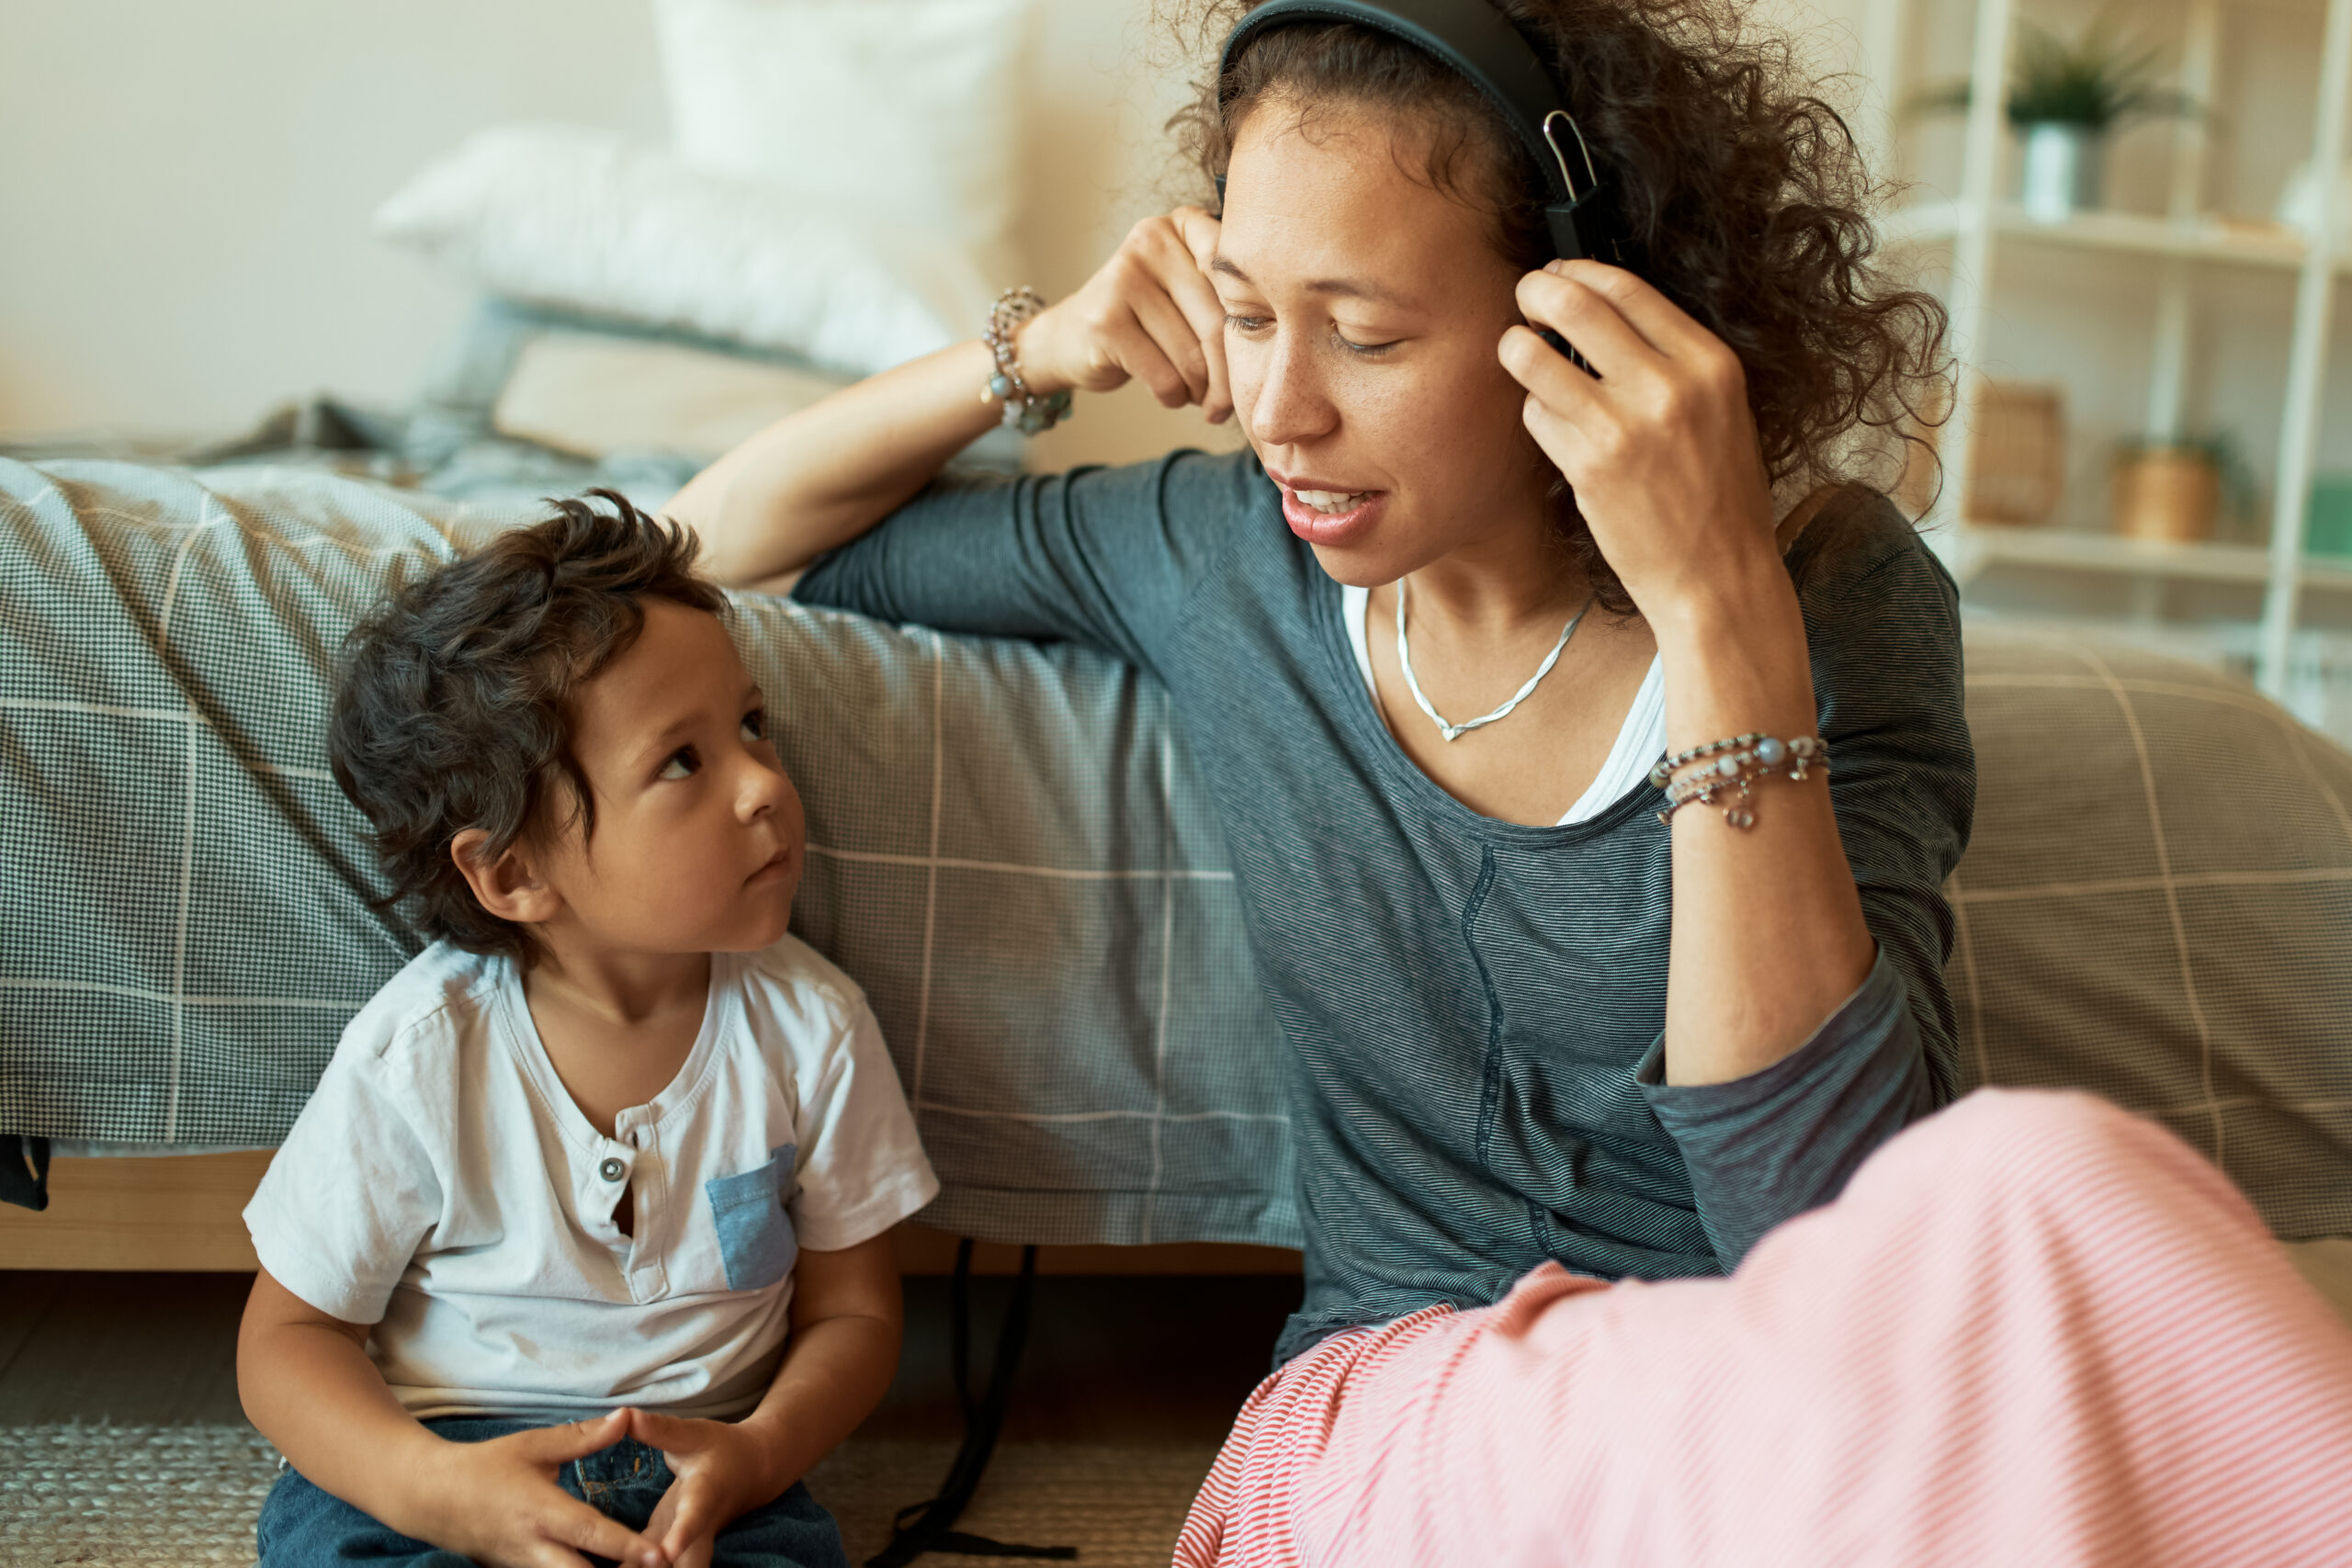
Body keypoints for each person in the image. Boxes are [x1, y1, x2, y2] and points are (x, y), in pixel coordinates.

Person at [665, 0, 2352, 1560]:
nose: (1278, 411)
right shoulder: (1223, 555)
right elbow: (717, 540)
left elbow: (1828, 1231)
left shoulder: (1824, 595)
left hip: (1779, 1400)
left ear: (1582, 315)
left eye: (1367, 335)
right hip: (1401, 1410)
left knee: (2054, 1174)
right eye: (1251, 315)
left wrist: (1719, 611)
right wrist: (1035, 349)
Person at [236, 494, 939, 1568]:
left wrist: (756, 1456)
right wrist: (431, 1491)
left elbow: (854, 1315)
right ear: (512, 872)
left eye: (752, 726)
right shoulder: (422, 1051)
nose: (764, 786)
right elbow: (287, 1342)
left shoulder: (814, 1029)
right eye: (682, 764)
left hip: (712, 1473)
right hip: (442, 1453)